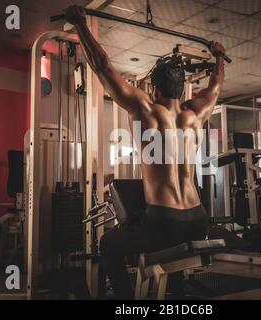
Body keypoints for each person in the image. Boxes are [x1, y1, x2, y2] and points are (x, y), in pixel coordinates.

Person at [64, 5, 225, 299]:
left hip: (165, 221)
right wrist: (218, 57)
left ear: (154, 87)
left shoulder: (146, 110)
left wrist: (80, 25)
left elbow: (101, 66)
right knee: (170, 261)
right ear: (181, 89)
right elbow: (215, 87)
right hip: (198, 219)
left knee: (108, 246)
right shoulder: (196, 114)